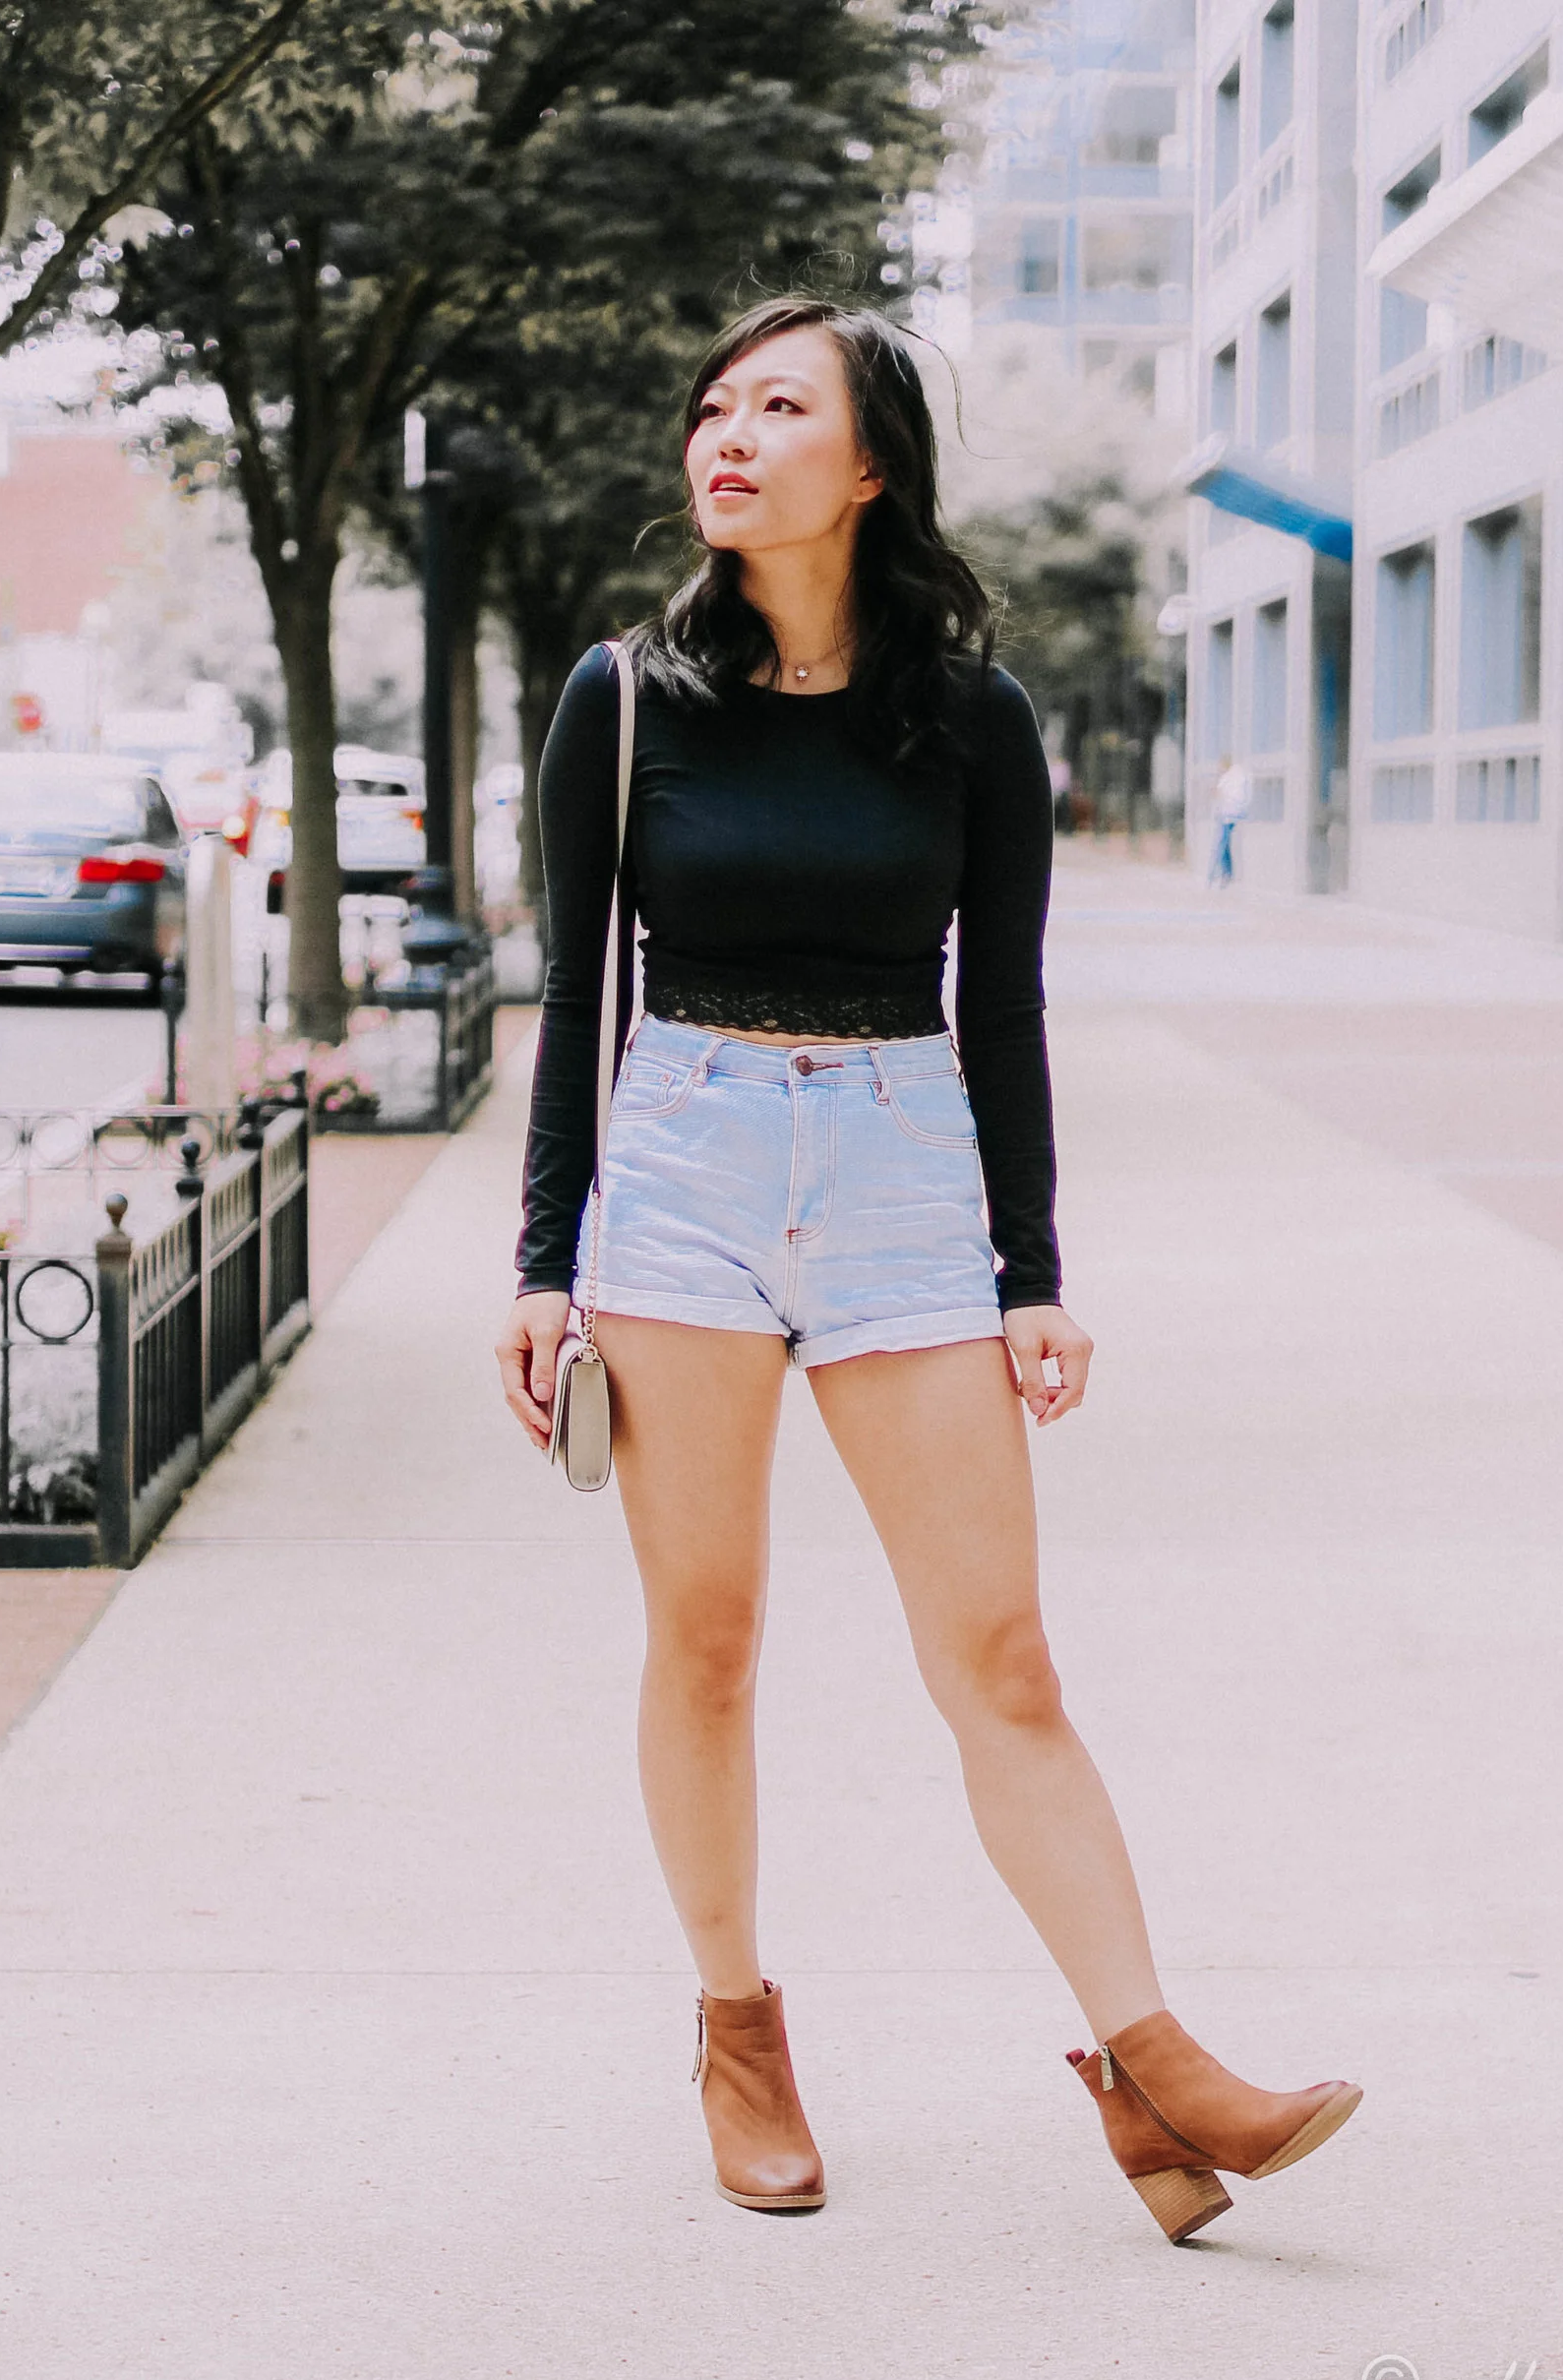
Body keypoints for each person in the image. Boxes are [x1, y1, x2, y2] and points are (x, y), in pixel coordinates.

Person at [495, 297, 1358, 2243]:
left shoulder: (969, 716)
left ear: (867, 464)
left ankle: (1154, 2069)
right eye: (708, 402)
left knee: (1001, 1654)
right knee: (705, 1640)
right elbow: (576, 997)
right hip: (686, 1172)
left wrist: (1029, 1266)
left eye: (776, 404)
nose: (724, 431)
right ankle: (737, 2031)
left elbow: (1007, 1006)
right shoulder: (621, 697)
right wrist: (545, 1259)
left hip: (900, 1177)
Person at [1208, 759, 1251, 885]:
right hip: (1233, 814)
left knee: (1221, 844)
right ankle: (1226, 873)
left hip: (1227, 815)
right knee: (1224, 844)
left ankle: (1222, 875)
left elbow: (1218, 793)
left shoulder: (1228, 778)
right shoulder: (1237, 776)